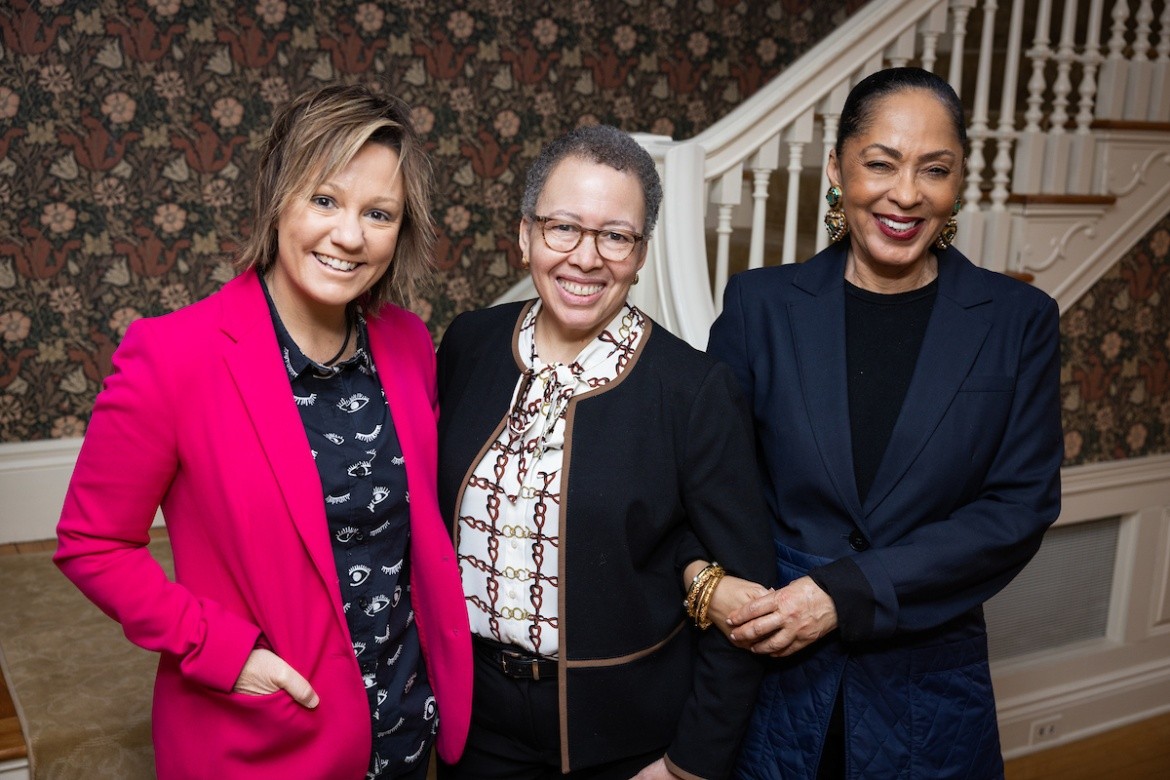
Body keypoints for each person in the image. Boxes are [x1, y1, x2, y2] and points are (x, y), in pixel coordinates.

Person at [54, 83, 472, 780]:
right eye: (325, 200)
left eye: (379, 213)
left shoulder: (407, 345)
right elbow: (92, 543)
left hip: (405, 725)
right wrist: (224, 652)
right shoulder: (172, 356)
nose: (349, 235)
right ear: (278, 197)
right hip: (269, 743)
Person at [705, 67, 1063, 778]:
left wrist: (845, 592)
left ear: (959, 180)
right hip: (775, 677)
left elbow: (1019, 507)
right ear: (837, 169)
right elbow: (710, 481)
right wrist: (705, 583)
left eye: (935, 169)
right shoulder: (760, 306)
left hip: (928, 681)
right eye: (881, 163)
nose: (906, 194)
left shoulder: (1018, 321)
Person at [435, 124, 774, 780]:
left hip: (623, 732)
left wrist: (688, 764)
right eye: (563, 227)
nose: (585, 258)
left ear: (641, 252)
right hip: (473, 717)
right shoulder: (469, 345)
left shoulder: (693, 389)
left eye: (615, 236)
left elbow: (748, 603)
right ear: (526, 233)